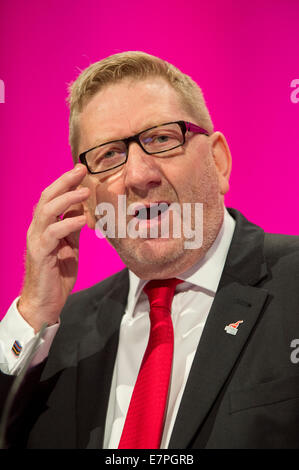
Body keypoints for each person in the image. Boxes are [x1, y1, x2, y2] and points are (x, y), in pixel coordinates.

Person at [0, 51, 299, 449]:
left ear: (218, 161)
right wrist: (33, 313)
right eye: (108, 155)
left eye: (161, 138)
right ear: (85, 201)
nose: (140, 176)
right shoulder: (55, 337)